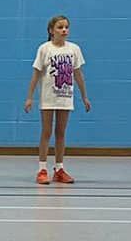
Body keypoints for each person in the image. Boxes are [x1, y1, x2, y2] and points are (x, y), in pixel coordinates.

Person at [22, 15, 90, 185]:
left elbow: (78, 74)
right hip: (48, 97)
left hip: (66, 96)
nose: (64, 30)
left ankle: (59, 169)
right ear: (51, 30)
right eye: (60, 27)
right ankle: (42, 169)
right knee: (46, 132)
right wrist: (30, 97)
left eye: (66, 27)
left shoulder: (74, 49)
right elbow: (36, 74)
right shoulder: (45, 49)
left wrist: (84, 96)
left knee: (61, 133)